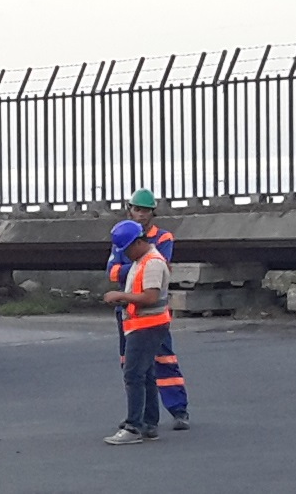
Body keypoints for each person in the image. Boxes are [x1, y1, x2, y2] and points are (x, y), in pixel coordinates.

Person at [106, 188, 191, 430]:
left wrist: (129, 269)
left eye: (145, 210)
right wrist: (132, 268)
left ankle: (178, 410)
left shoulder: (162, 239)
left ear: (152, 213)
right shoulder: (124, 236)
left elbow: (156, 269)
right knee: (131, 366)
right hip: (129, 313)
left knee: (163, 359)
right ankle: (143, 417)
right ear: (129, 209)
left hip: (150, 314)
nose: (140, 214)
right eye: (137, 209)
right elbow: (111, 272)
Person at [102, 220, 172, 444]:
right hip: (146, 324)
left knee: (133, 375)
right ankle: (148, 422)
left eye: (127, 249)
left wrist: (120, 296)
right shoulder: (143, 260)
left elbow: (150, 297)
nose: (126, 255)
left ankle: (134, 426)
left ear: (138, 242)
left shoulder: (151, 263)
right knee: (147, 373)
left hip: (147, 325)